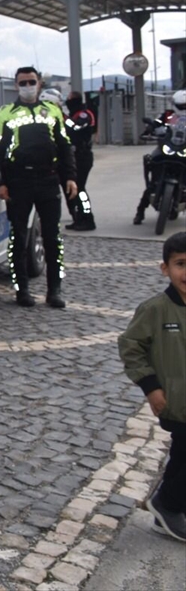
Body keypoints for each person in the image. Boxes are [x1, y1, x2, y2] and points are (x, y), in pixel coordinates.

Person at [118, 231, 186, 542]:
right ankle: (166, 504)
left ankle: (172, 508)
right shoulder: (156, 309)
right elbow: (131, 346)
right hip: (176, 399)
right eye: (180, 264)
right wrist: (151, 386)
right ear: (165, 269)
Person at [0, 67, 77, 309]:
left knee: (52, 238)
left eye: (31, 81)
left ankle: (55, 290)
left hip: (48, 179)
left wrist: (70, 177)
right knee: (18, 238)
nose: (27, 86)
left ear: (39, 84)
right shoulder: (6, 113)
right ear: (16, 85)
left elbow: (64, 145)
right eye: (22, 82)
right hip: (19, 181)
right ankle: (22, 291)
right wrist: (0, 182)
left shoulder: (53, 111)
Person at [134, 89, 186, 225]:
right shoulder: (168, 115)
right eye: (182, 106)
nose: (184, 108)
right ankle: (140, 211)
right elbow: (156, 123)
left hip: (184, 148)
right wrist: (149, 129)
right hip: (167, 147)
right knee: (152, 164)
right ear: (175, 104)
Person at [64, 91, 97, 231]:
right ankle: (79, 218)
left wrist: (64, 118)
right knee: (76, 190)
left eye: (69, 99)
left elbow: (77, 127)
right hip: (75, 156)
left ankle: (88, 218)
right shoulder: (74, 114)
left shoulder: (85, 114)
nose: (67, 102)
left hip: (83, 156)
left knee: (80, 189)